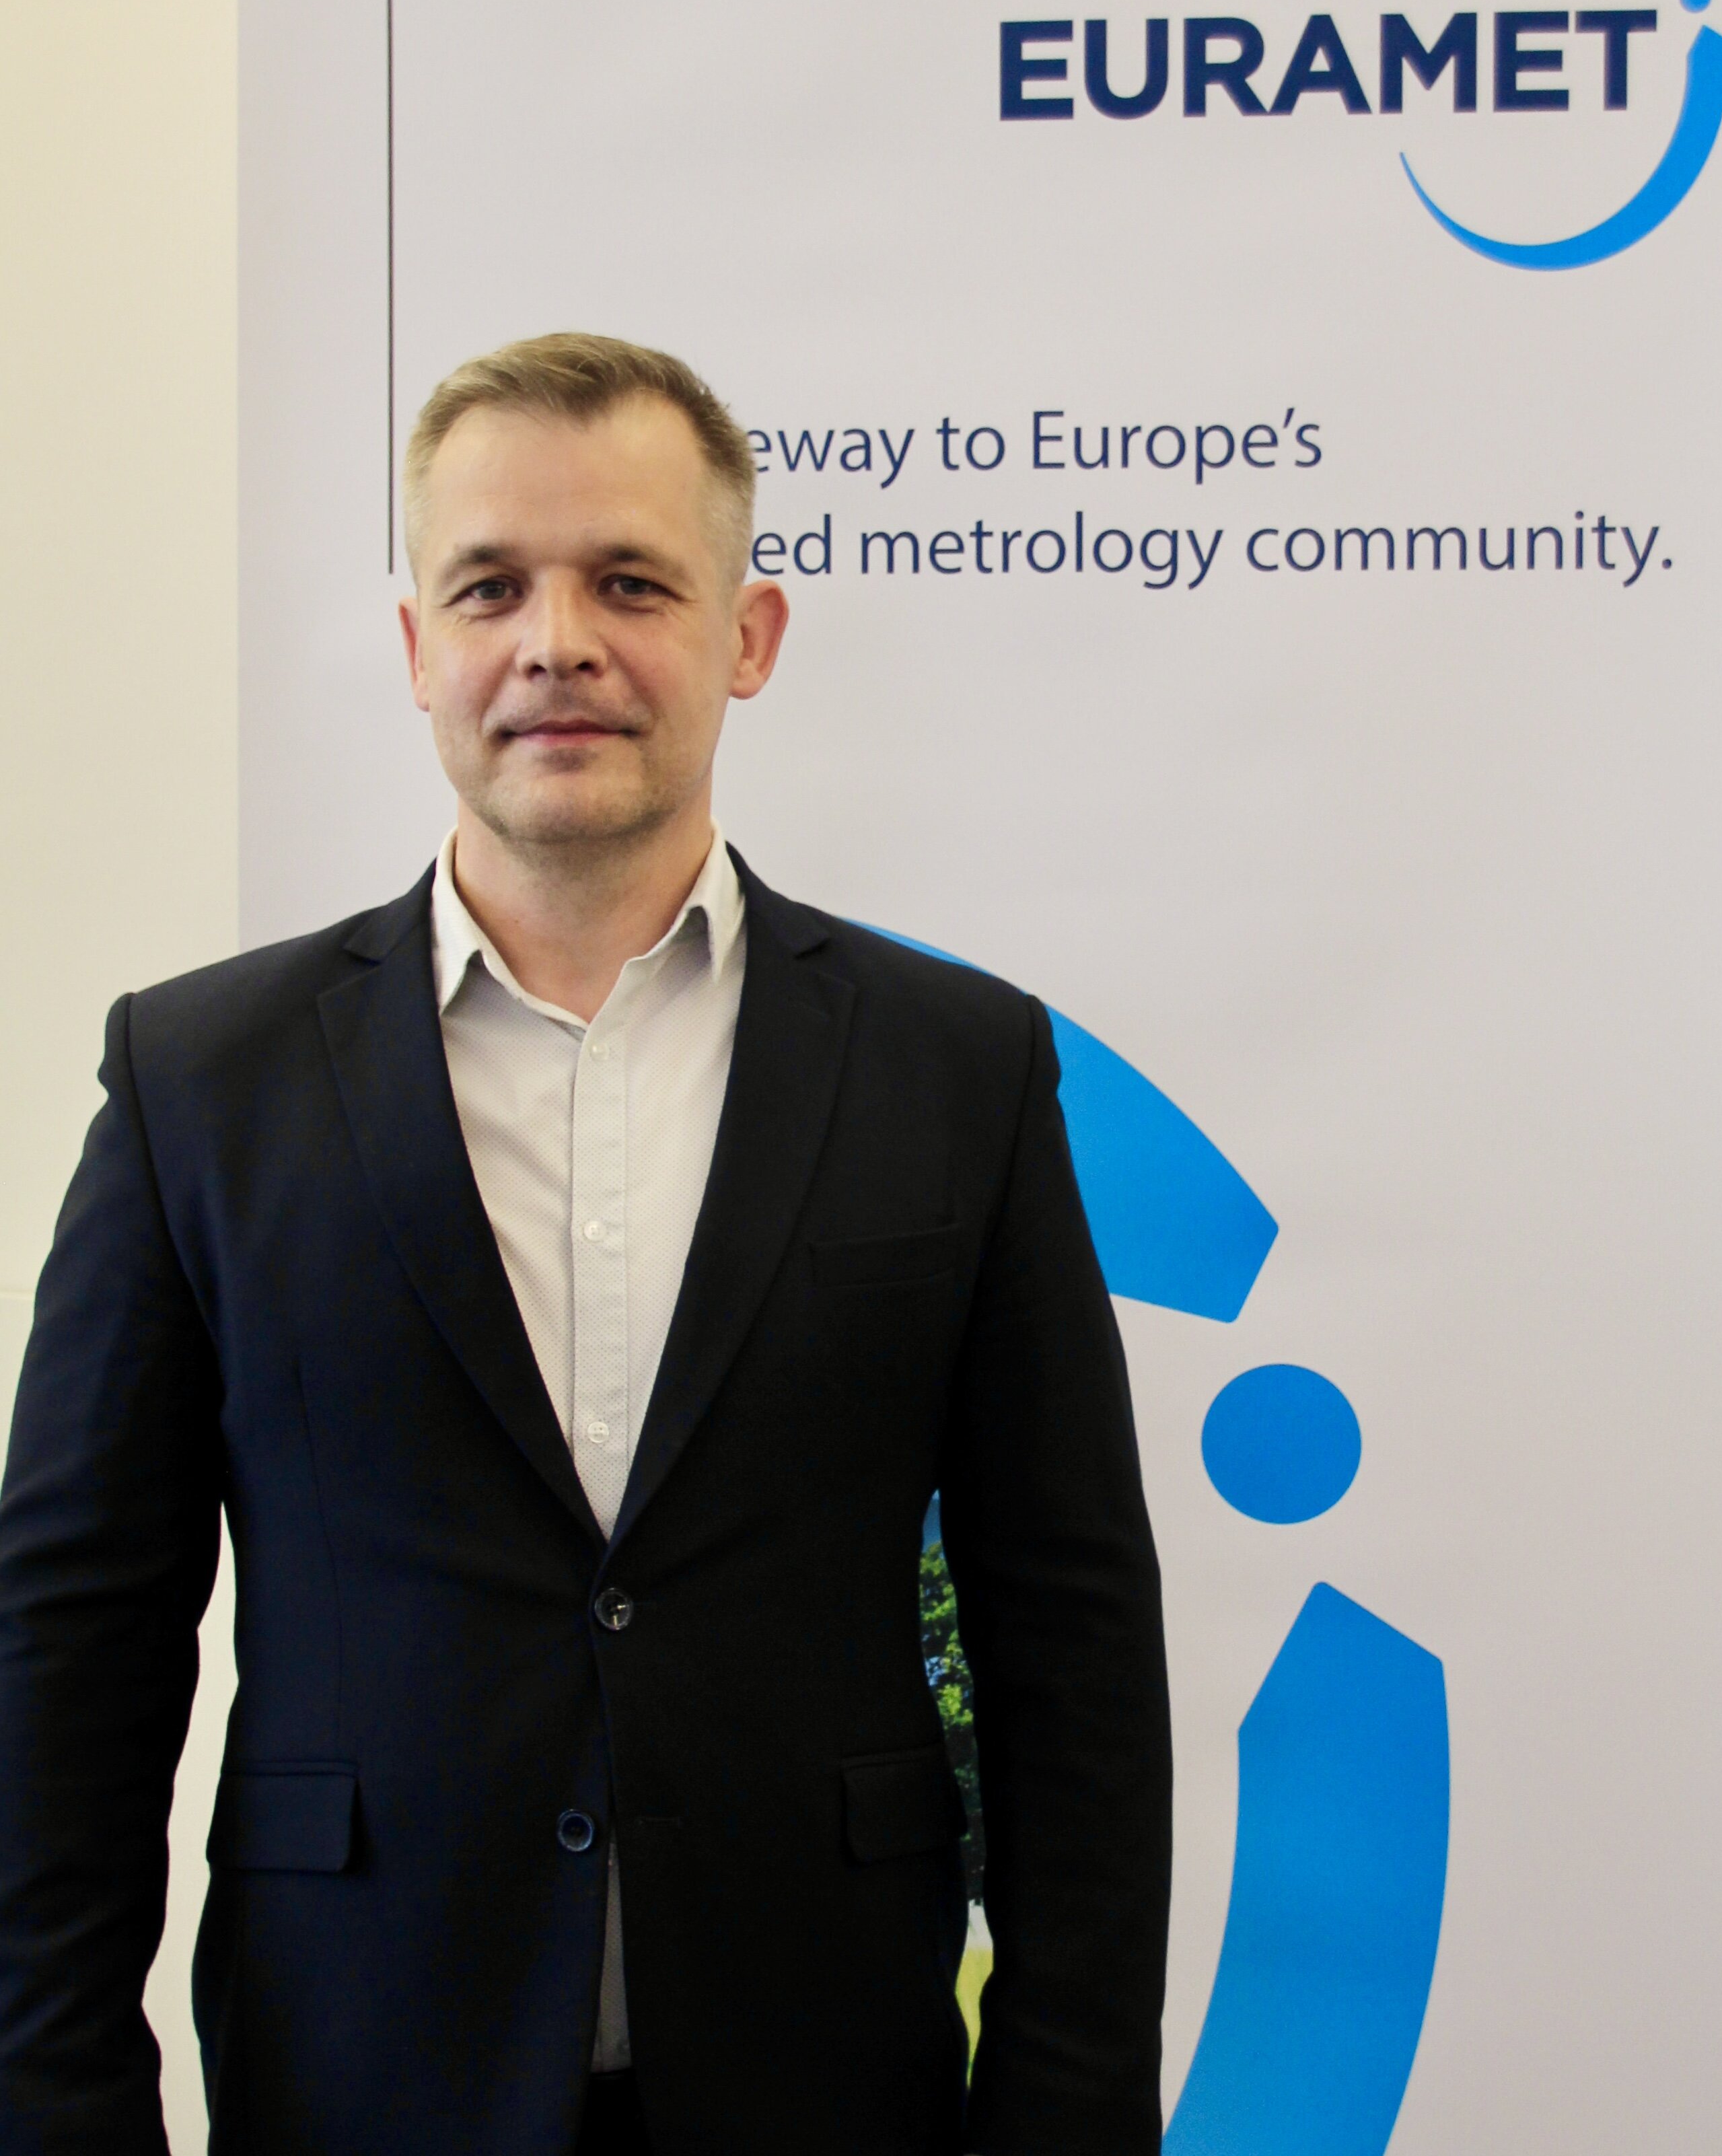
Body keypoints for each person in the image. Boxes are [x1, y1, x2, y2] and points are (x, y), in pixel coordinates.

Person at [0, 334, 1172, 2155]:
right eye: (491, 587)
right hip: (360, 2075)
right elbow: (72, 1645)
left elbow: (1070, 1641)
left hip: (828, 2079)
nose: (557, 641)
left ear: (747, 635)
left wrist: (1069, 2110)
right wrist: (59, 2108)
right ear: (418, 649)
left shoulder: (958, 1068)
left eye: (631, 581)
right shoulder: (199, 1081)